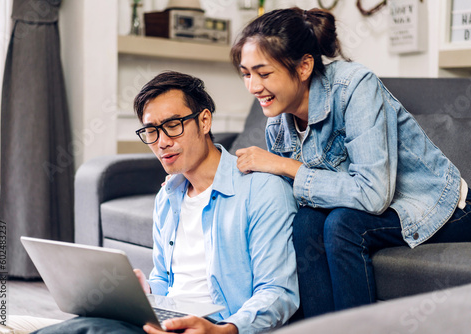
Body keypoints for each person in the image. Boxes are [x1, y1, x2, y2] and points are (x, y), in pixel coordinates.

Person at [231, 7, 471, 319]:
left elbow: (372, 194)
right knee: (307, 223)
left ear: (304, 66)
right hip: (373, 214)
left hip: (446, 210)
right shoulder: (278, 124)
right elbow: (288, 203)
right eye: (246, 74)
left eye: (264, 73)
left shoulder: (355, 87)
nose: (253, 87)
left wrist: (287, 167)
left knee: (341, 225)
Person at [24, 71, 299, 334]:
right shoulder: (167, 197)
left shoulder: (262, 189)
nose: (162, 142)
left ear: (204, 121)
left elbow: (278, 293)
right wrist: (147, 294)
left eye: (172, 126)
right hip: (163, 323)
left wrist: (223, 330)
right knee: (84, 323)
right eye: (151, 131)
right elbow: (166, 280)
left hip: (217, 327)